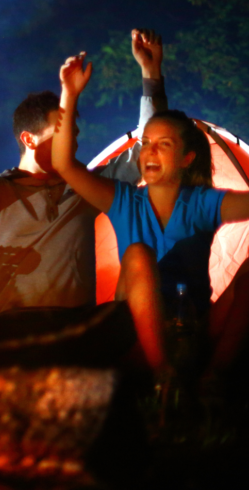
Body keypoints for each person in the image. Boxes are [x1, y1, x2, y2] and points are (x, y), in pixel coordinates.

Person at [0, 30, 168, 367]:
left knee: (132, 309)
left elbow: (146, 151)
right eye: (63, 131)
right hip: (8, 333)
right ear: (29, 139)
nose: (73, 140)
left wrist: (151, 74)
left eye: (74, 131)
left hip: (74, 331)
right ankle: (6, 363)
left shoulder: (85, 187)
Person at [51, 52, 249, 376]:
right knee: (138, 254)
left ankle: (215, 378)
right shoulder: (123, 201)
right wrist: (69, 95)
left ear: (187, 158)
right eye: (146, 143)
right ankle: (163, 377)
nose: (150, 151)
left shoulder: (202, 203)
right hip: (134, 336)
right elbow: (64, 165)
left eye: (164, 144)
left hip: (192, 328)